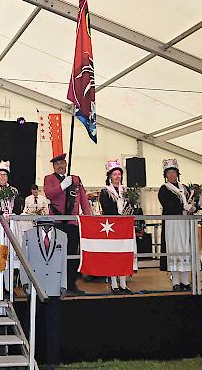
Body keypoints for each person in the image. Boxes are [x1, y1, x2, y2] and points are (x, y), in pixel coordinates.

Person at [44, 153, 92, 295]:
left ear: (66, 164)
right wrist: (63, 186)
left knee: (72, 254)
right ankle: (56, 283)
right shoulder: (49, 179)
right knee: (56, 253)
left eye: (61, 163)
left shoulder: (76, 180)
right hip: (57, 222)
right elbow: (49, 194)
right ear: (53, 166)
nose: (59, 166)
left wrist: (88, 217)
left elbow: (83, 199)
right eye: (56, 164)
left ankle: (71, 283)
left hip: (72, 222)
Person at [22, 224, 67, 370]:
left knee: (53, 325)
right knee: (31, 324)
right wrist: (24, 281)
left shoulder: (62, 235)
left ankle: (52, 361)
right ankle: (29, 357)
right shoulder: (28, 235)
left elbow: (64, 262)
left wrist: (64, 284)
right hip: (35, 285)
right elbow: (24, 259)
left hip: (54, 286)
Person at [158, 159, 196, 292]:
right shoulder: (164, 189)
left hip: (185, 223)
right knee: (174, 249)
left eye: (174, 172)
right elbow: (167, 205)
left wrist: (194, 206)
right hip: (172, 223)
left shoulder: (184, 188)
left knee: (185, 248)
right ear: (166, 175)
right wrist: (183, 206)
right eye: (169, 172)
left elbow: (190, 203)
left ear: (177, 173)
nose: (172, 175)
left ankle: (185, 281)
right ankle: (175, 282)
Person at [0, 160, 23, 292]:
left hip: (12, 225)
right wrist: (1, 215)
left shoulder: (14, 190)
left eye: (4, 175)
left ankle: (8, 286)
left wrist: (11, 215)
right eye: (0, 175)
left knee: (9, 256)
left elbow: (18, 207)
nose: (2, 177)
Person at [98, 160, 134, 294]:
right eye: (115, 174)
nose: (117, 176)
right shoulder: (105, 191)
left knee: (124, 254)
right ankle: (114, 284)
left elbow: (132, 206)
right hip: (112, 227)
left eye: (119, 174)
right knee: (113, 256)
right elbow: (106, 208)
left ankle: (123, 284)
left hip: (125, 227)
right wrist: (119, 214)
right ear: (110, 176)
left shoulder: (127, 191)